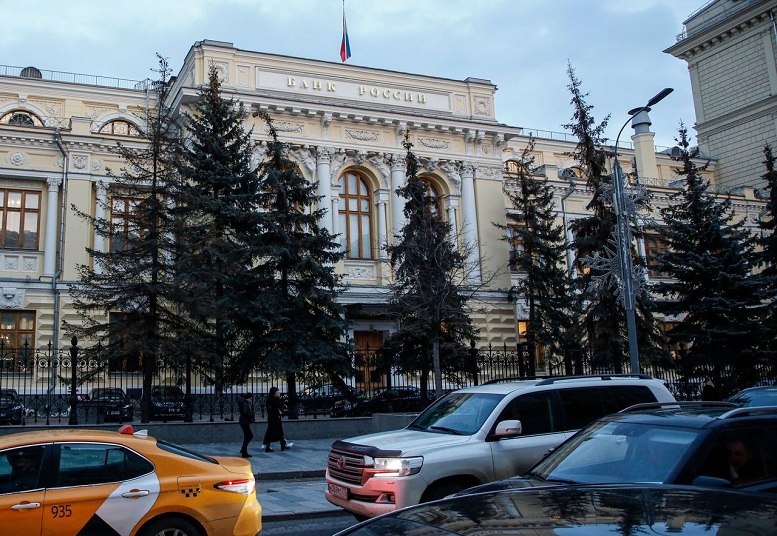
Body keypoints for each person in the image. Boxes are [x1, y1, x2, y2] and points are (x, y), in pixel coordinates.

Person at [263, 386, 292, 453]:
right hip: (275, 418)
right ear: (274, 393)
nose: (279, 394)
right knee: (273, 432)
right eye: (277, 393)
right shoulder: (274, 400)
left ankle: (282, 444)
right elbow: (277, 407)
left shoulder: (270, 399)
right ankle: (268, 446)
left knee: (278, 432)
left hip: (273, 418)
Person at [237, 392, 254, 458]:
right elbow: (245, 412)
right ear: (248, 398)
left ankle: (243, 450)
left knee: (247, 436)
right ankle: (244, 450)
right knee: (249, 435)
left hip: (243, 421)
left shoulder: (243, 402)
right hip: (244, 421)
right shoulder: (245, 403)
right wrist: (251, 415)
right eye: (250, 399)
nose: (251, 400)